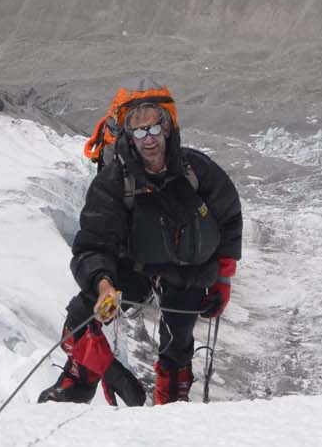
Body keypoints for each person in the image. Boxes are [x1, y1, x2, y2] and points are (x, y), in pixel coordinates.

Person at [38, 84, 242, 406]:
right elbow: (93, 245)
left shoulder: (197, 172)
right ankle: (77, 383)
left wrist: (223, 277)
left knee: (178, 343)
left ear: (168, 127)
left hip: (186, 272)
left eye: (156, 126)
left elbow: (228, 216)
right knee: (82, 314)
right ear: (127, 135)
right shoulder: (113, 183)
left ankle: (172, 407)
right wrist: (103, 285)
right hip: (132, 268)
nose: (149, 137)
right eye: (139, 129)